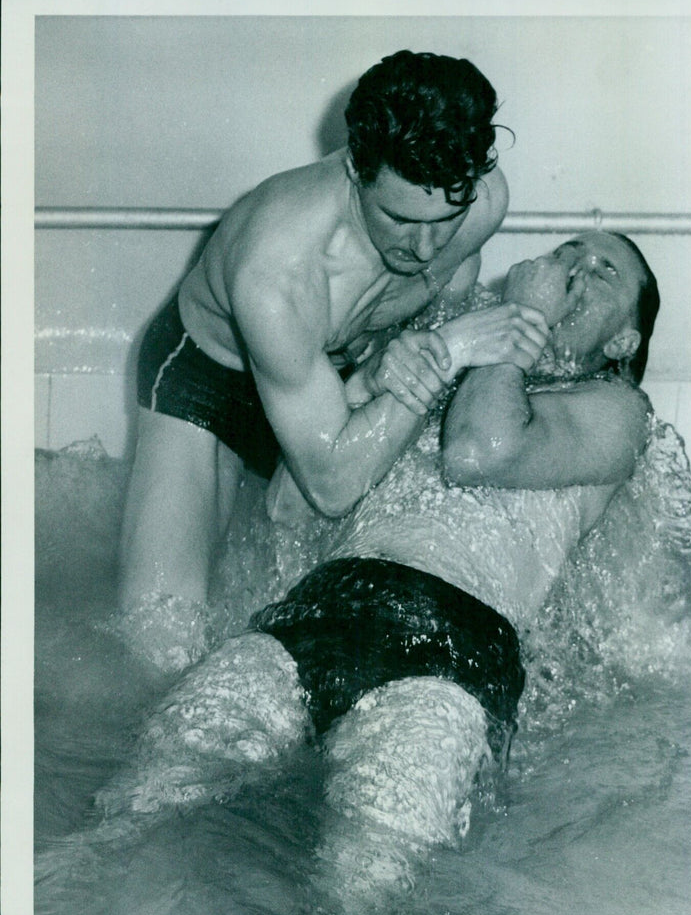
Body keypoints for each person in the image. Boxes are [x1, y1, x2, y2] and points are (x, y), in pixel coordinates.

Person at [95, 231, 659, 915]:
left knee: (364, 888)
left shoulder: (617, 414)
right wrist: (373, 382)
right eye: (570, 252)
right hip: (316, 615)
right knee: (143, 796)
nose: (573, 270)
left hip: (452, 656)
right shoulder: (457, 361)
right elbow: (288, 507)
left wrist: (516, 324)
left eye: (604, 272)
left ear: (624, 342)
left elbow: (478, 451)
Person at [119, 50, 544, 610]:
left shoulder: (483, 203)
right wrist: (450, 350)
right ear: (354, 170)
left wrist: (384, 369)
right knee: (162, 636)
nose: (425, 248)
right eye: (399, 220)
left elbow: (433, 315)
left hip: (332, 382)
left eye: (445, 221)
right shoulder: (278, 273)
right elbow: (333, 486)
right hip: (209, 388)